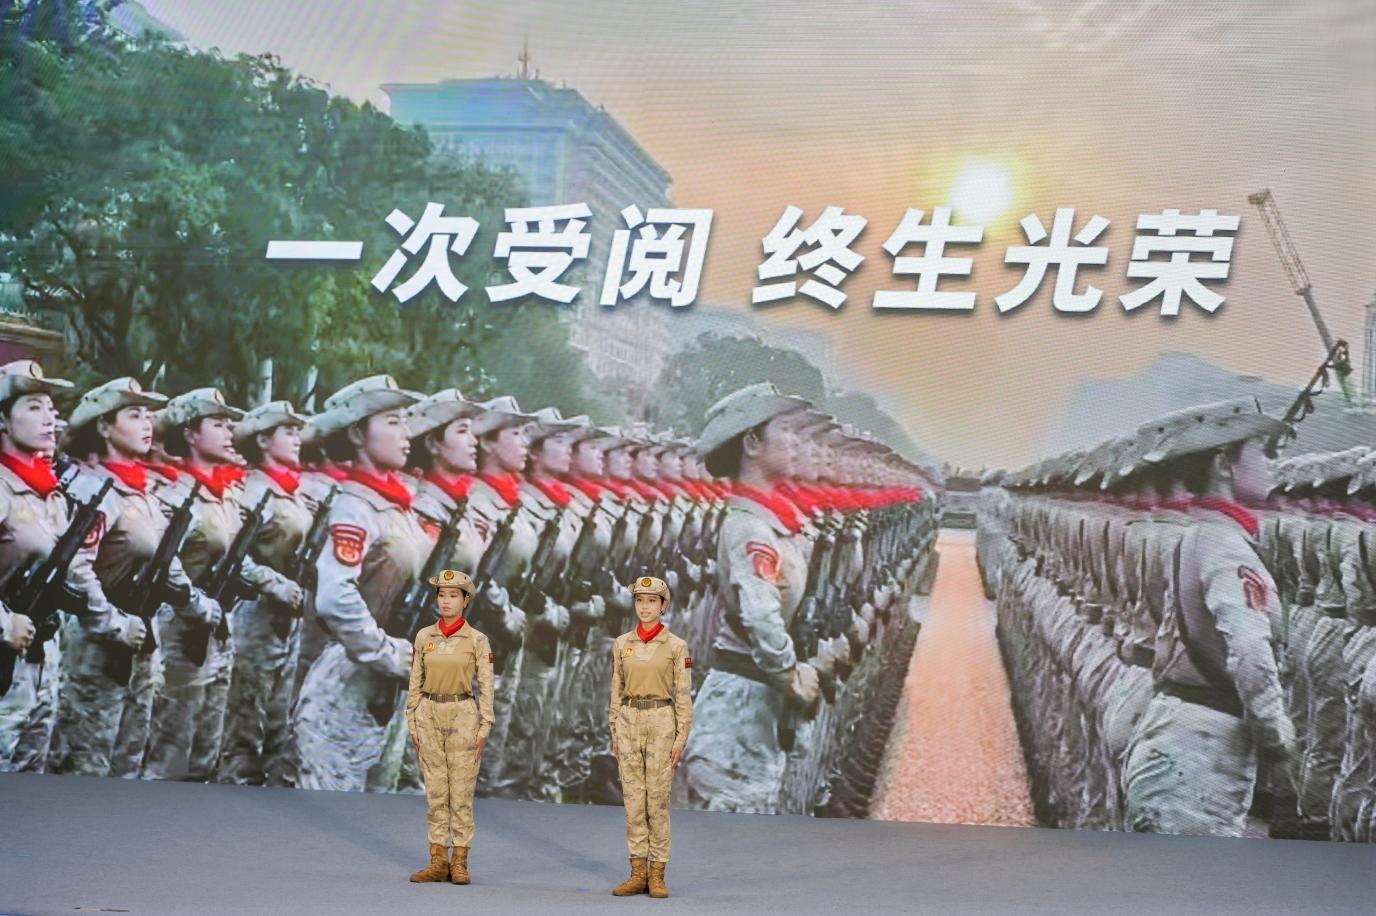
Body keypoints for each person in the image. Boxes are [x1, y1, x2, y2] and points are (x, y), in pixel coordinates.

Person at [1123, 398, 1299, 835]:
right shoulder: (1225, 545)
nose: (1270, 466)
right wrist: (1274, 731)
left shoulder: (1199, 535)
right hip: (1199, 749)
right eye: (1260, 452)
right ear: (1223, 464)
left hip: (1181, 732)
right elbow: (1250, 649)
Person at [680, 383, 822, 814]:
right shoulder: (750, 528)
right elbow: (761, 617)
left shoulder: (769, 524)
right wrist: (791, 676)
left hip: (754, 707)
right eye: (786, 430)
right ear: (752, 442)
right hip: (737, 715)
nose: (796, 443)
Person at [292, 374, 424, 791]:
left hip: (385, 684)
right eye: (393, 422)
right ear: (356, 434)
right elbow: (334, 597)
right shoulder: (354, 508)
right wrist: (385, 652)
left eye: (406, 421)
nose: (406, 434)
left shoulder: (395, 507)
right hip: (346, 682)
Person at [216, 401, 311, 786]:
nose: (297, 439)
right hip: (254, 615)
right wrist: (273, 583)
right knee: (245, 722)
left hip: (289, 621)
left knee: (278, 722)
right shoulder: (253, 493)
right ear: (262, 440)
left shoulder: (292, 492)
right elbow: (230, 556)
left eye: (297, 431)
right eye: (288, 431)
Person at [406, 568, 494, 885]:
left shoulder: (476, 640)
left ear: (465, 600)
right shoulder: (424, 637)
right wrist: (412, 719)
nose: (446, 601)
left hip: (462, 714)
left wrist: (485, 725)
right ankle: (437, 860)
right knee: (435, 791)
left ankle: (460, 861)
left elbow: (486, 685)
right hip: (429, 712)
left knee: (461, 791)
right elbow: (415, 681)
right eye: (442, 595)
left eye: (453, 595)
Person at [610, 575, 692, 899]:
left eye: (652, 601)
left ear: (663, 605)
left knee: (657, 801)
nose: (645, 607)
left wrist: (680, 739)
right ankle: (637, 872)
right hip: (629, 720)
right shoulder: (622, 644)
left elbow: (683, 696)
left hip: (661, 721)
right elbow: (616, 691)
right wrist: (614, 731)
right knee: (633, 801)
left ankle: (657, 873)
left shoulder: (675, 646)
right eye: (640, 601)